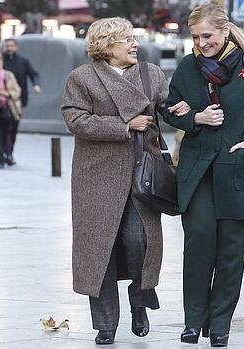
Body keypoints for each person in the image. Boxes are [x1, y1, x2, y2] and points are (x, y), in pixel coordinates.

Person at [162, 4, 244, 347]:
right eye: (196, 37)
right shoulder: (188, 67)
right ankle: (192, 322)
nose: (202, 43)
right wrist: (194, 119)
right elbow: (170, 109)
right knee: (198, 242)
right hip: (197, 170)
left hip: (239, 169)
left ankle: (220, 326)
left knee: (231, 254)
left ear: (225, 31)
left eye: (208, 36)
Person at [60, 17, 169, 345]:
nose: (135, 44)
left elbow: (171, 108)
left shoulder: (151, 74)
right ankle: (105, 325)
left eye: (134, 38)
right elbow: (75, 119)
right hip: (96, 176)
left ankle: (140, 301)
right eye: (126, 40)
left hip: (141, 173)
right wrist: (124, 126)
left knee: (140, 242)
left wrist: (191, 112)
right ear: (106, 46)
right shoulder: (81, 78)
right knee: (99, 252)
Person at [2, 38, 42, 166]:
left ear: (16, 47)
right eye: (7, 45)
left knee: (13, 127)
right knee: (5, 127)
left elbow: (33, 74)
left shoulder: (23, 61)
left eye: (11, 45)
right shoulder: (0, 60)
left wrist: (36, 85)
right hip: (2, 99)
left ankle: (9, 152)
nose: (9, 48)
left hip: (18, 100)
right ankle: (4, 152)